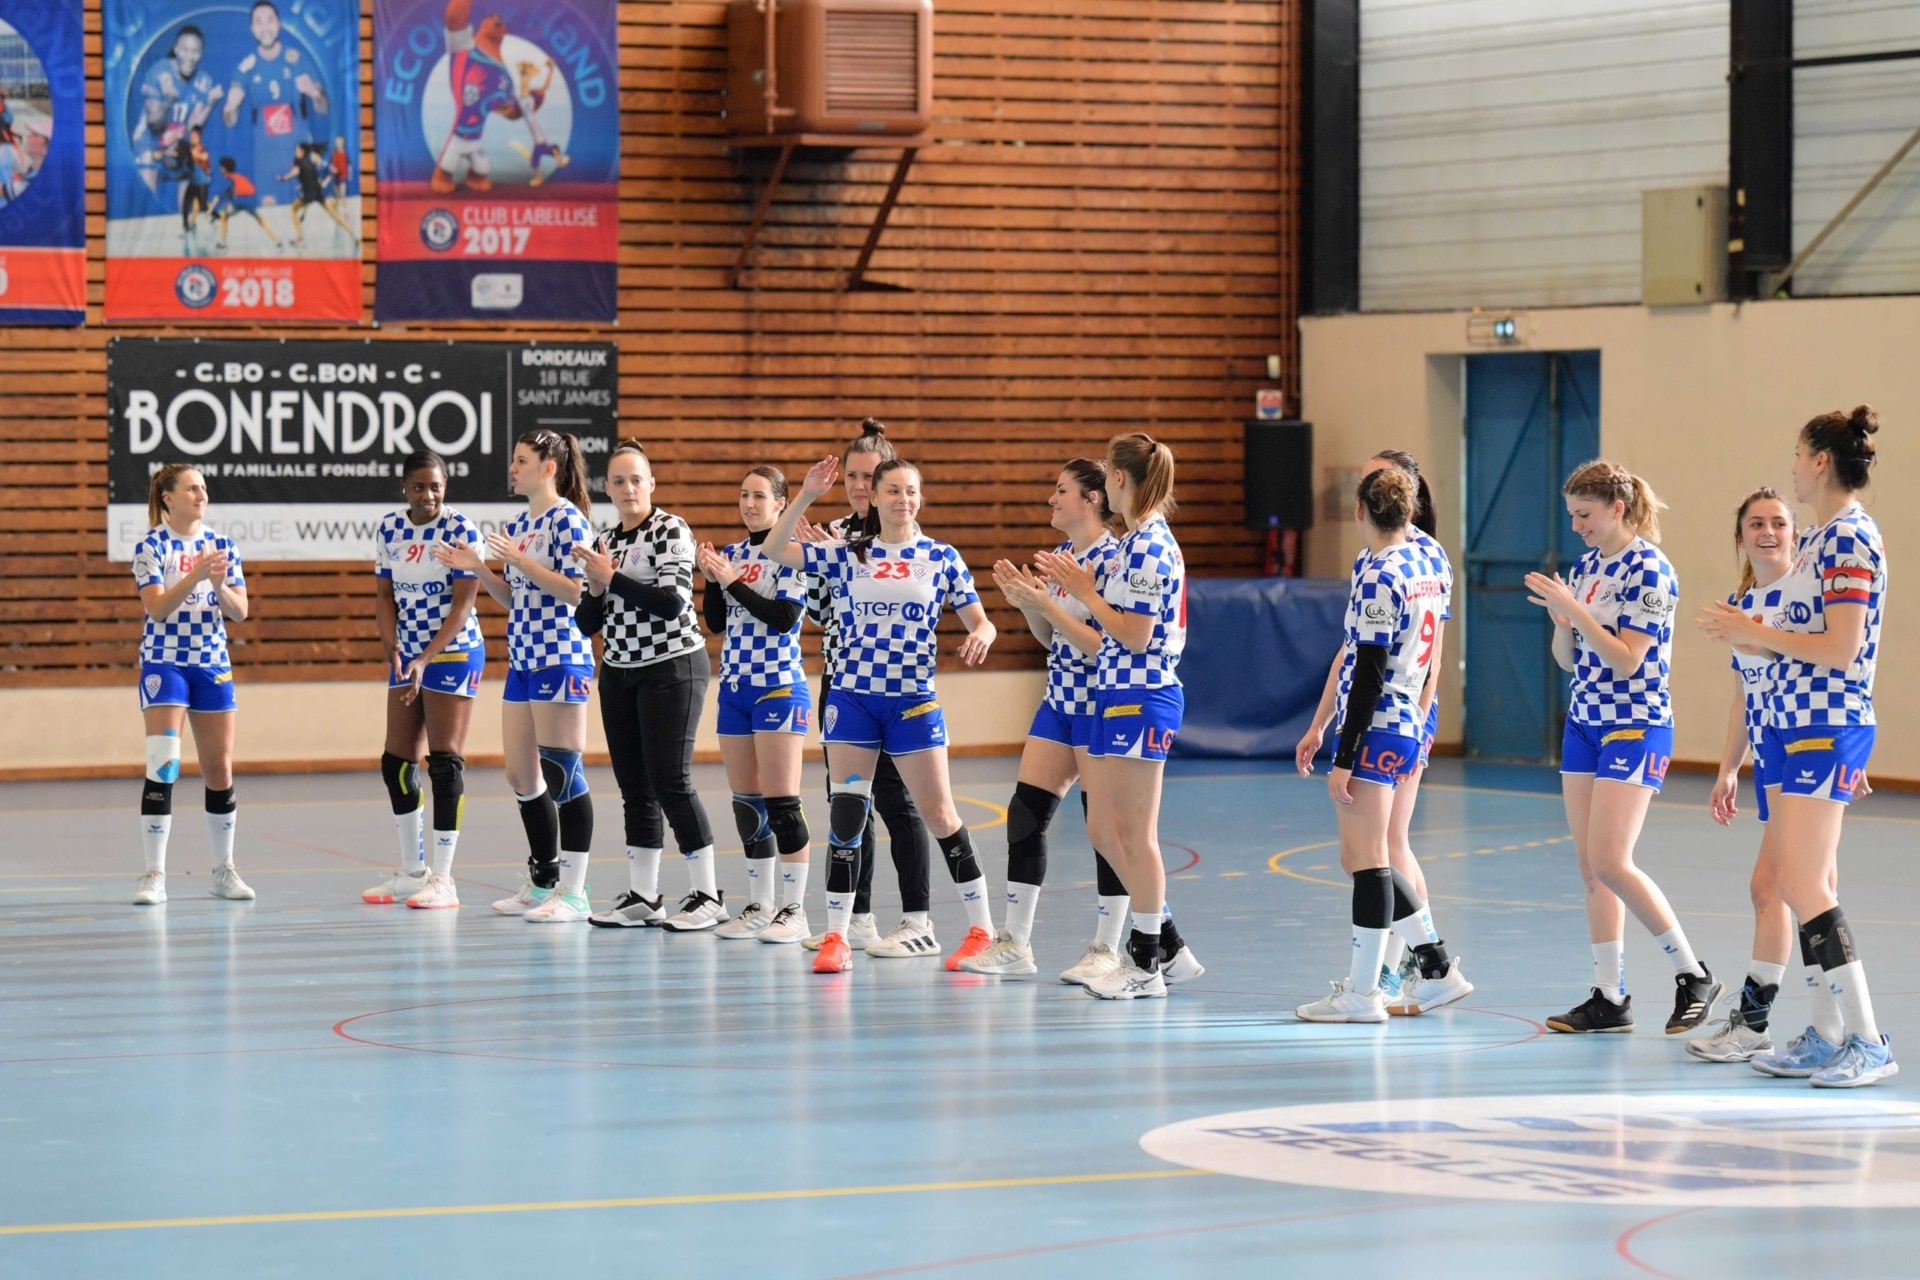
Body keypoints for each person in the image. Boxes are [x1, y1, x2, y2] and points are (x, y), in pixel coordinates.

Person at [1699, 407, 1896, 1087]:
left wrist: (1759, 635)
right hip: (1784, 725)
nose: (1791, 466)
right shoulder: (1817, 540)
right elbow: (1791, 632)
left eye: (1796, 454)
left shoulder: (1849, 542)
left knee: (1805, 883)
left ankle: (1868, 1041)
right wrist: (1740, 632)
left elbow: (1841, 650)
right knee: (1795, 881)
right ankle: (1826, 1033)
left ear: (1819, 461)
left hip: (1824, 722)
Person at [762, 455, 1000, 974]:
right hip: (851, 699)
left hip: (911, 700)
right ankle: (836, 937)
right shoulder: (847, 554)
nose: (903, 500)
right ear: (875, 496)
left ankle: (982, 930)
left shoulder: (941, 558)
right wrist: (804, 494)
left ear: (920, 496)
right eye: (892, 490)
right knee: (848, 812)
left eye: (911, 491)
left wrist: (981, 634)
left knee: (939, 814)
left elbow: (981, 621)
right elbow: (773, 547)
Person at [1524, 461, 1719, 1035]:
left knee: (1612, 859)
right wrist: (1563, 623)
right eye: (1572, 516)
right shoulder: (1586, 569)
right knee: (1591, 868)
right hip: (1585, 724)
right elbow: (1570, 659)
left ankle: (1694, 974)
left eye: (1584, 515)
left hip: (1636, 724)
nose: (1577, 526)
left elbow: (1629, 658)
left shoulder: (1651, 571)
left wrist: (1577, 611)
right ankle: (1610, 996)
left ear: (1616, 508)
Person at [1295, 450, 1470, 1014]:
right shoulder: (1419, 566)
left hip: (1381, 722)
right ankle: (1433, 965)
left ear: (1361, 510)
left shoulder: (1383, 573)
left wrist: (1343, 753)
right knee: (1374, 856)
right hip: (1401, 721)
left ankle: (1369, 990)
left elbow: (1368, 672)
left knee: (1372, 858)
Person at [1034, 433, 1200, 1000]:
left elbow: (1133, 633)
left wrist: (1084, 589)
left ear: (1121, 481)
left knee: (1136, 835)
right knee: (1103, 829)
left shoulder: (1152, 545)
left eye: (1106, 476)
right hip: (1113, 692)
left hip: (1143, 691)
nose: (1102, 487)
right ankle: (1171, 948)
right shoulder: (1135, 542)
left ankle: (1147, 961)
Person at [961, 459, 1121, 977]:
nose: (1052, 498)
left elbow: (1106, 648)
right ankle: (1017, 943)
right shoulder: (1058, 558)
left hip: (1101, 707)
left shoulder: (1113, 562)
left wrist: (1047, 606)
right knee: (1025, 815)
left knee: (1106, 832)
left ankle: (1106, 948)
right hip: (1059, 704)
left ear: (1092, 498)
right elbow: (1051, 640)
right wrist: (1028, 604)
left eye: (1061, 490)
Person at [438, 430, 595, 922]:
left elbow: (577, 591)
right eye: (513, 459)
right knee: (521, 774)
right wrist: (481, 570)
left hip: (560, 655)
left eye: (521, 460)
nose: (513, 467)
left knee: (562, 771)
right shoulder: (520, 523)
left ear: (549, 467)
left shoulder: (567, 518)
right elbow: (513, 596)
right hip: (524, 659)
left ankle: (574, 890)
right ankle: (544, 877)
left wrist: (520, 561)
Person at [799, 421, 938, 959]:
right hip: (843, 681)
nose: (859, 485)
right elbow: (815, 611)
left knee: (897, 802)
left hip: (897, 685)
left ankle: (916, 917)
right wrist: (825, 573)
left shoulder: (904, 537)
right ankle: (856, 916)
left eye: (868, 475)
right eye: (852, 475)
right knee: (846, 801)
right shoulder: (835, 534)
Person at [570, 441, 719, 930]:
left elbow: (673, 603)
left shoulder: (670, 528)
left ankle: (707, 895)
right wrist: (596, 585)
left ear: (651, 484)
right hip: (619, 670)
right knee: (635, 786)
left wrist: (610, 578)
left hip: (672, 666)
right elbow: (586, 621)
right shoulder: (605, 538)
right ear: (607, 488)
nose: (628, 488)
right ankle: (645, 896)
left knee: (670, 780)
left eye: (637, 479)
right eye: (618, 481)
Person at [696, 467, 814, 943]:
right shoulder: (732, 554)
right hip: (735, 688)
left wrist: (732, 582)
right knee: (747, 803)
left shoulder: (788, 554)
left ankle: (794, 908)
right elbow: (715, 624)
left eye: (759, 496)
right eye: (743, 494)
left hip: (779, 686)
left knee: (782, 802)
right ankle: (761, 903)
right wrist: (711, 579)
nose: (749, 503)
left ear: (781, 503)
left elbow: (784, 619)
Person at [363, 451, 484, 910]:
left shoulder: (459, 530)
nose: (428, 495)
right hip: (408, 654)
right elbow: (383, 594)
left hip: (452, 651)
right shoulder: (390, 529)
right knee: (396, 762)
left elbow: (462, 607)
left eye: (436, 486)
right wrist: (393, 647)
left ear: (445, 487)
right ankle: (414, 873)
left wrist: (426, 658)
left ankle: (445, 879)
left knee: (444, 761)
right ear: (404, 488)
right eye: (419, 487)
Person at [130, 465, 253, 906]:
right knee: (163, 763)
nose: (202, 494)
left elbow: (239, 611)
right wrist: (195, 576)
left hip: (211, 661)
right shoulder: (151, 546)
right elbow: (158, 608)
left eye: (204, 487)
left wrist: (218, 585)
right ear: (168, 498)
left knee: (219, 768)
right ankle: (154, 874)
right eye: (192, 488)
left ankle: (223, 870)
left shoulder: (222, 545)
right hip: (166, 663)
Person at [222, 1, 329, 206]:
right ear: (252, 29)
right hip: (266, 158)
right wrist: (229, 108)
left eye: (270, 20)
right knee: (272, 217)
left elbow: (323, 108)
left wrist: (315, 94)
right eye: (258, 22)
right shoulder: (245, 68)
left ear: (279, 24)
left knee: (304, 216)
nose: (265, 27)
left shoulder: (298, 60)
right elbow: (228, 122)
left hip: (300, 155)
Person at [135, 25, 222, 195]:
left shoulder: (204, 81)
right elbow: (154, 124)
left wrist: (211, 104)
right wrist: (168, 102)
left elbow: (193, 128)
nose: (190, 57)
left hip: (178, 144)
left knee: (192, 173)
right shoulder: (159, 72)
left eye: (195, 51)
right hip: (150, 142)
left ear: (202, 53)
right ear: (176, 49)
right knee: (149, 201)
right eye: (185, 50)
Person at [278, 142, 358, 246]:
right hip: (317, 192)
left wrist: (283, 178)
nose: (311, 156)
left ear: (317, 155)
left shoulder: (322, 165)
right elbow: (309, 177)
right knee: (332, 214)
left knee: (295, 208)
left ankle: (300, 238)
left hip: (322, 193)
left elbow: (331, 172)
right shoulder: (312, 164)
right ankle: (353, 234)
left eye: (313, 155)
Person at [211, 156, 281, 251]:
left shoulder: (227, 177)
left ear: (224, 168)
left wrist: (210, 210)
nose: (220, 169)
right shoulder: (240, 177)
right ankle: (276, 241)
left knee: (224, 215)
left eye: (221, 167)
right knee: (260, 220)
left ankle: (222, 243)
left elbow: (221, 195)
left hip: (238, 202)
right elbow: (249, 190)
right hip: (250, 202)